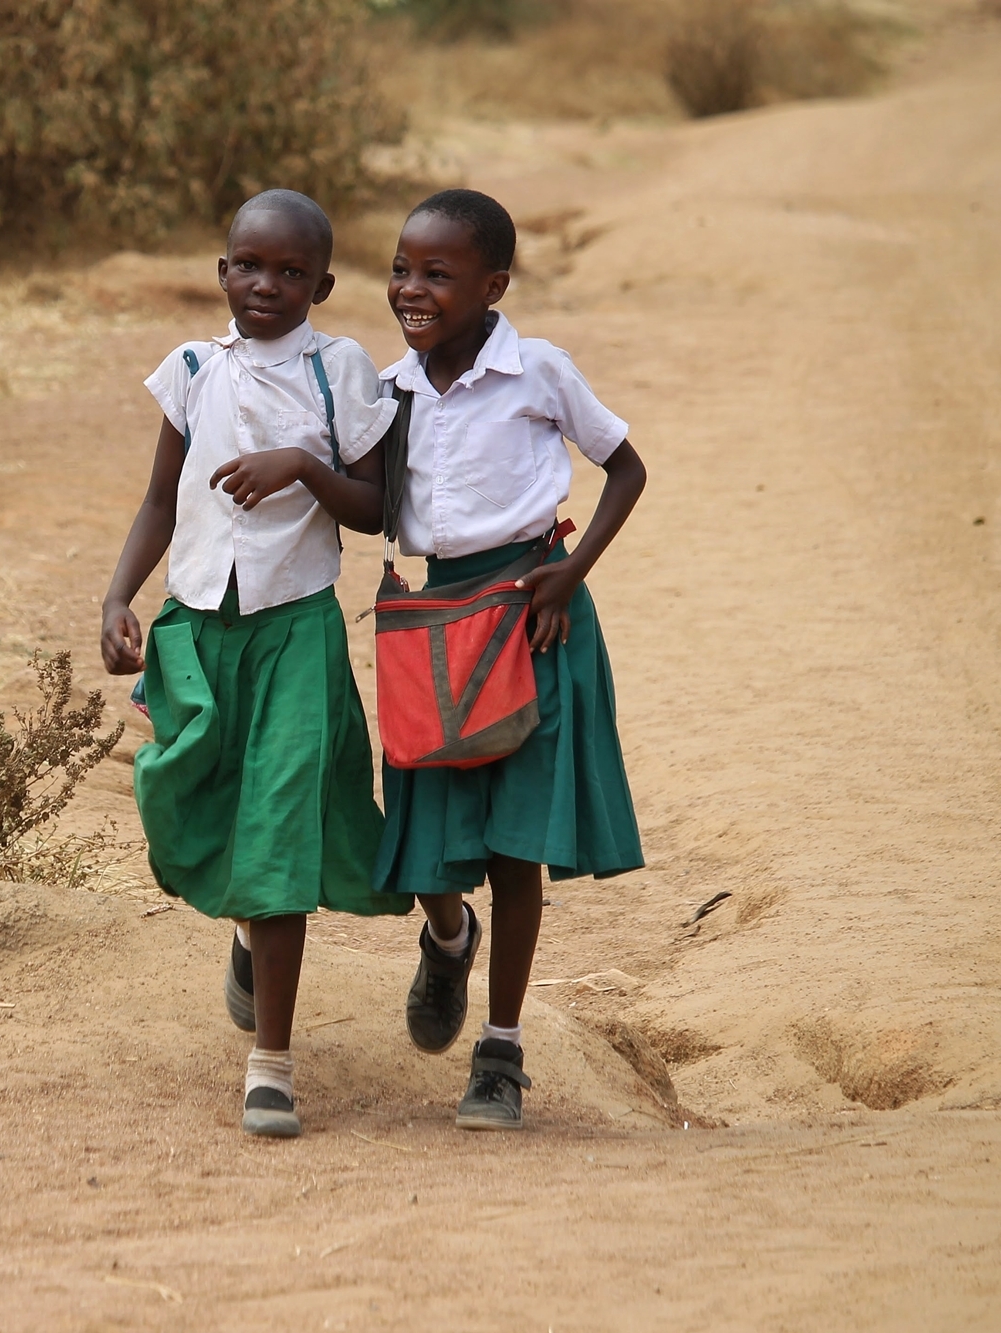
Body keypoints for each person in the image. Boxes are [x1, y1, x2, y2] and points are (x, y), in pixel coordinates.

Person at [99, 189, 412, 1139]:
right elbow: (161, 500)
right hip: (199, 632)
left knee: (277, 829)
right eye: (247, 264)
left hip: (293, 634)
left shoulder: (340, 371)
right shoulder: (193, 369)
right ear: (221, 270)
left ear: (321, 283)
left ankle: (270, 1064)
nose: (264, 285)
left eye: (288, 272)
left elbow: (377, 506)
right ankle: (245, 932)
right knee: (184, 800)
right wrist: (120, 597)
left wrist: (303, 469)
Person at [374, 188, 648, 1131]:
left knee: (513, 842)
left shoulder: (538, 371)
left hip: (534, 611)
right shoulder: (390, 386)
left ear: (493, 285)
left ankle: (501, 1048)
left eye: (437, 274)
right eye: (402, 269)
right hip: (436, 616)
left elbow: (626, 466)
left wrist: (570, 571)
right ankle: (448, 937)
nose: (412, 289)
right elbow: (370, 505)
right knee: (424, 834)